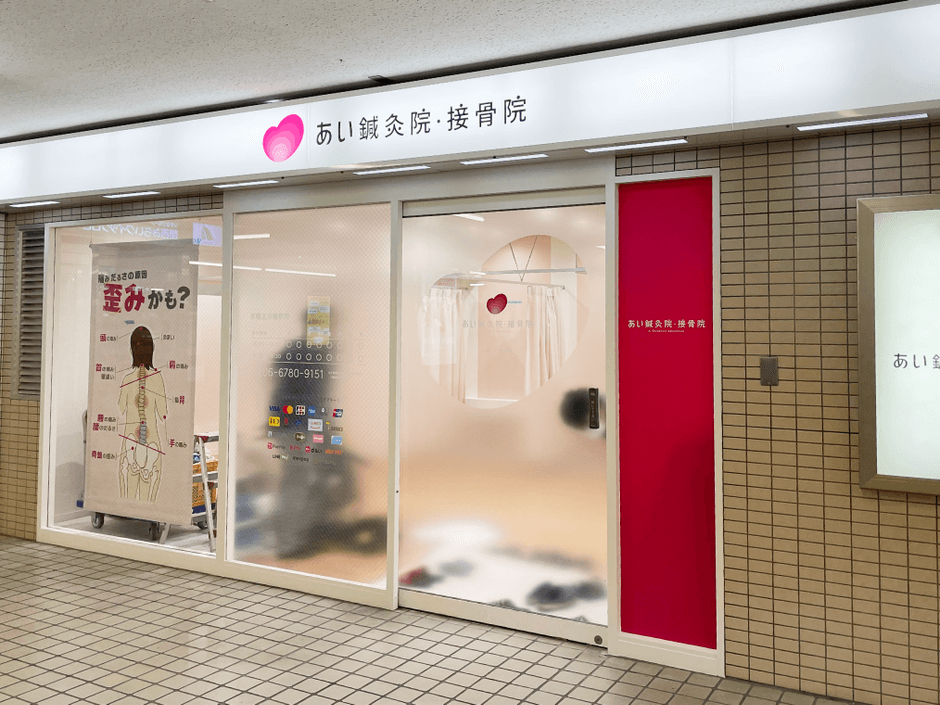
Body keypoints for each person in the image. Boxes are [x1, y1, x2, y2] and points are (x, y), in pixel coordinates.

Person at [117, 326, 168, 502]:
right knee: (147, 501)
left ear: (132, 350)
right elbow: (163, 414)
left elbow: (120, 409)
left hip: (130, 443)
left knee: (128, 497)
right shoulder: (157, 378)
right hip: (152, 442)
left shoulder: (126, 380)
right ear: (151, 349)